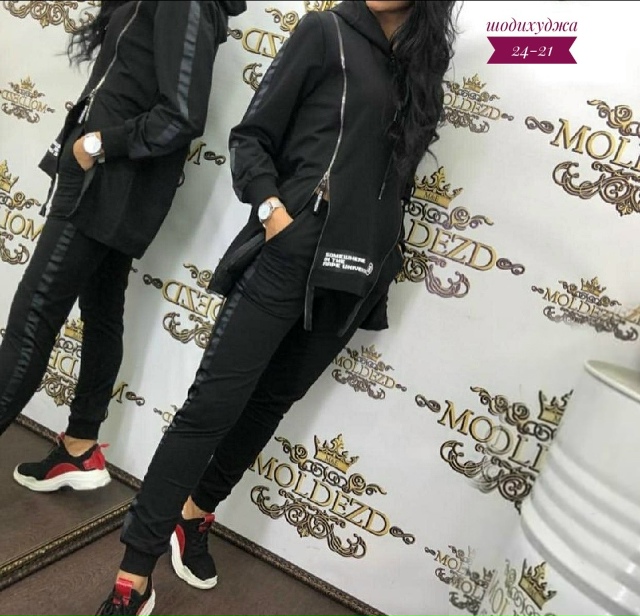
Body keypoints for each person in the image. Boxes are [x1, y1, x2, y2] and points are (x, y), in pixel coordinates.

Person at [94, 1, 459, 613]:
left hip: (356, 275)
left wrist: (385, 256)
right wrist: (273, 212)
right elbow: (252, 136)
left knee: (269, 405)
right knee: (209, 409)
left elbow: (395, 177)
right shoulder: (325, 33)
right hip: (289, 255)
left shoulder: (423, 66)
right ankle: (134, 570)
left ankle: (196, 513)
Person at [0, 0, 248, 491]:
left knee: (33, 319)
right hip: (110, 187)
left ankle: (80, 446)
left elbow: (181, 115)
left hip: (108, 188)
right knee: (101, 312)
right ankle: (79, 448)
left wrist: (97, 145)